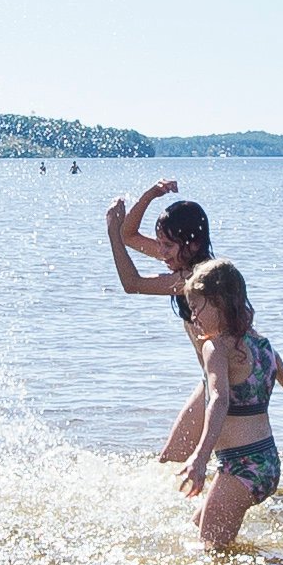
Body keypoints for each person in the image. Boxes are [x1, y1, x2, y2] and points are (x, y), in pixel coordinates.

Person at [167, 259, 283, 551]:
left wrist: (200, 457)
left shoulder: (215, 347)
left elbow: (218, 400)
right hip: (267, 465)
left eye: (197, 307)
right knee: (198, 526)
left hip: (240, 466)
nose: (193, 317)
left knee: (210, 554)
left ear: (220, 303)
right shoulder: (264, 347)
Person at [103, 180, 220, 460]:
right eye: (160, 244)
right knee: (172, 460)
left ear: (192, 245)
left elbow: (132, 283)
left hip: (228, 381)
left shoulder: (194, 279)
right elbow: (129, 236)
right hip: (212, 379)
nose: (161, 252)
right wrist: (151, 194)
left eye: (167, 245)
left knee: (202, 462)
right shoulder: (184, 262)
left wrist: (111, 234)